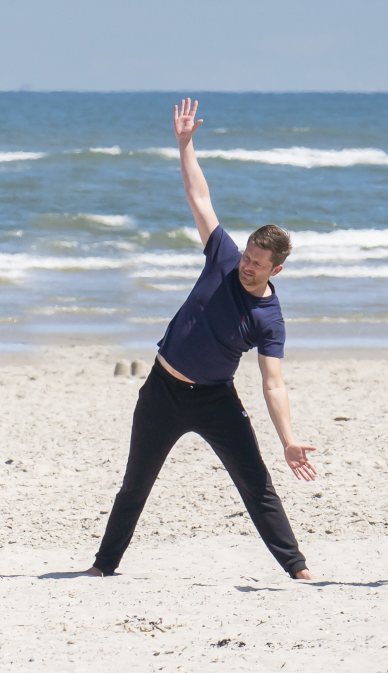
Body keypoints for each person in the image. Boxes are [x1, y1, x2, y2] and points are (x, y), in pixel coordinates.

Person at [87, 98, 318, 581]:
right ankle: (102, 567)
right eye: (247, 255)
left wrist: (290, 440)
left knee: (255, 484)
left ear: (277, 269)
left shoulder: (270, 318)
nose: (246, 265)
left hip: (216, 400)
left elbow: (273, 384)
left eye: (257, 262)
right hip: (162, 391)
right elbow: (200, 197)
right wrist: (186, 144)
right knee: (135, 485)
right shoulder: (223, 255)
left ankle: (297, 569)